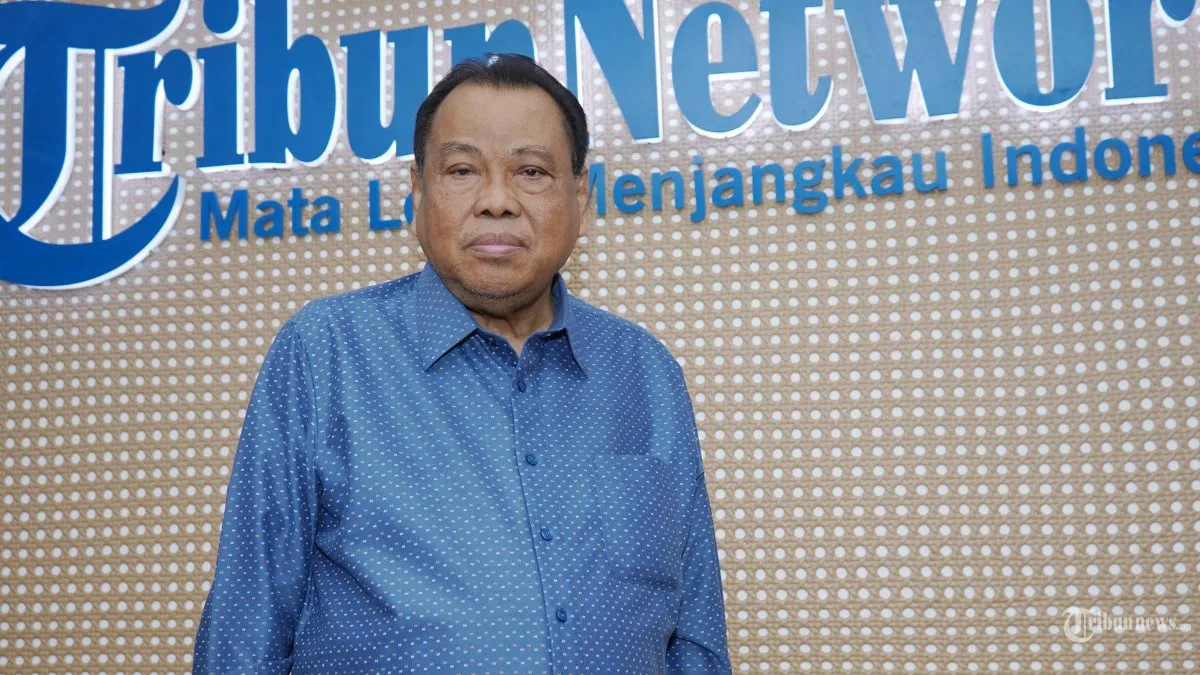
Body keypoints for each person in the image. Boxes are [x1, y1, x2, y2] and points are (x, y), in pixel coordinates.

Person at [192, 53, 731, 674]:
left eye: (531, 171)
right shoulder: (327, 353)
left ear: (580, 197)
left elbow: (696, 635)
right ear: (418, 192)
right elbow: (246, 625)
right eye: (462, 170)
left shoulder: (645, 373)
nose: (497, 201)